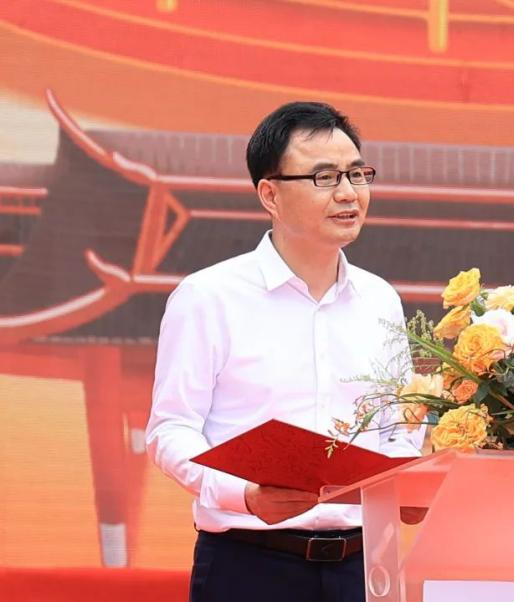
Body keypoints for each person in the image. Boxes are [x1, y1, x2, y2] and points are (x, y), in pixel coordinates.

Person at [146, 101, 424, 602]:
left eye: (357, 174)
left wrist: (404, 482)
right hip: (250, 564)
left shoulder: (380, 298)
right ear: (269, 194)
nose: (348, 193)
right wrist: (244, 495)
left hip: (361, 566)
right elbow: (171, 430)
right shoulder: (209, 297)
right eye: (324, 178)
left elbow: (400, 426)